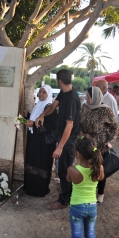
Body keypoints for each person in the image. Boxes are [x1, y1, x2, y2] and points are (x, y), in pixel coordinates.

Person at [35, 69, 81, 209]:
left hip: (69, 138)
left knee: (65, 169)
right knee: (62, 168)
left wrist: (60, 147)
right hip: (61, 133)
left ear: (60, 81)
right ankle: (68, 195)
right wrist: (42, 115)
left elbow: (69, 126)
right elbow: (53, 106)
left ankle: (64, 200)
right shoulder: (64, 92)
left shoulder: (72, 98)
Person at [80, 86, 119, 204]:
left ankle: (100, 194)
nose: (86, 98)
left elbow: (115, 126)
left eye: (88, 96)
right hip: (86, 144)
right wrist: (81, 133)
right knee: (86, 168)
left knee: (99, 170)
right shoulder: (85, 107)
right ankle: (87, 191)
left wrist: (110, 142)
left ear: (96, 97)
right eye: (86, 96)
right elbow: (79, 121)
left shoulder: (105, 110)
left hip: (100, 146)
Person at [66, 136, 104, 238]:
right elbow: (101, 178)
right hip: (92, 206)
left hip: (77, 206)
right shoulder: (99, 168)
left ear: (77, 154)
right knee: (91, 233)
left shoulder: (72, 170)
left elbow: (68, 179)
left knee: (77, 234)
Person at [23, 85, 57, 197]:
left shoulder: (50, 108)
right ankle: (30, 187)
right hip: (34, 140)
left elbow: (51, 126)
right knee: (32, 162)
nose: (41, 94)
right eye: (40, 92)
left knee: (41, 164)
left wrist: (33, 124)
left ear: (49, 95)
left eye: (44, 92)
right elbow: (35, 118)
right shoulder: (39, 105)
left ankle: (39, 190)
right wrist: (27, 115)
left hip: (43, 144)